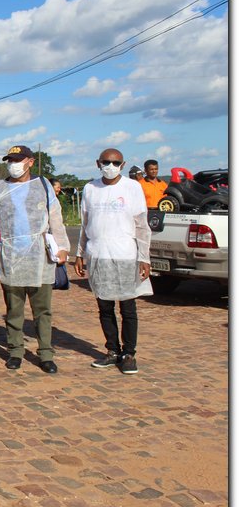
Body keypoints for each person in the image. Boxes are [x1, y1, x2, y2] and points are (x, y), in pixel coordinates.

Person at [0, 145, 70, 373]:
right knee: (14, 309)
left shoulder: (42, 186)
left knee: (42, 310)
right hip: (10, 256)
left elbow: (55, 217)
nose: (13, 164)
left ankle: (45, 352)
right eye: (10, 160)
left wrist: (62, 246)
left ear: (30, 162)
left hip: (40, 257)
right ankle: (15, 350)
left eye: (18, 159)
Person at [75, 148, 152, 375]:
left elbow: (142, 225)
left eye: (115, 162)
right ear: (98, 163)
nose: (110, 166)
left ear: (123, 164)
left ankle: (129, 353)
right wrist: (79, 253)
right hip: (98, 253)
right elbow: (85, 224)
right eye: (106, 162)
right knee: (104, 306)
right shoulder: (90, 188)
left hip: (125, 254)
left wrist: (144, 257)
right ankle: (112, 351)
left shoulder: (132, 187)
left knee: (128, 307)